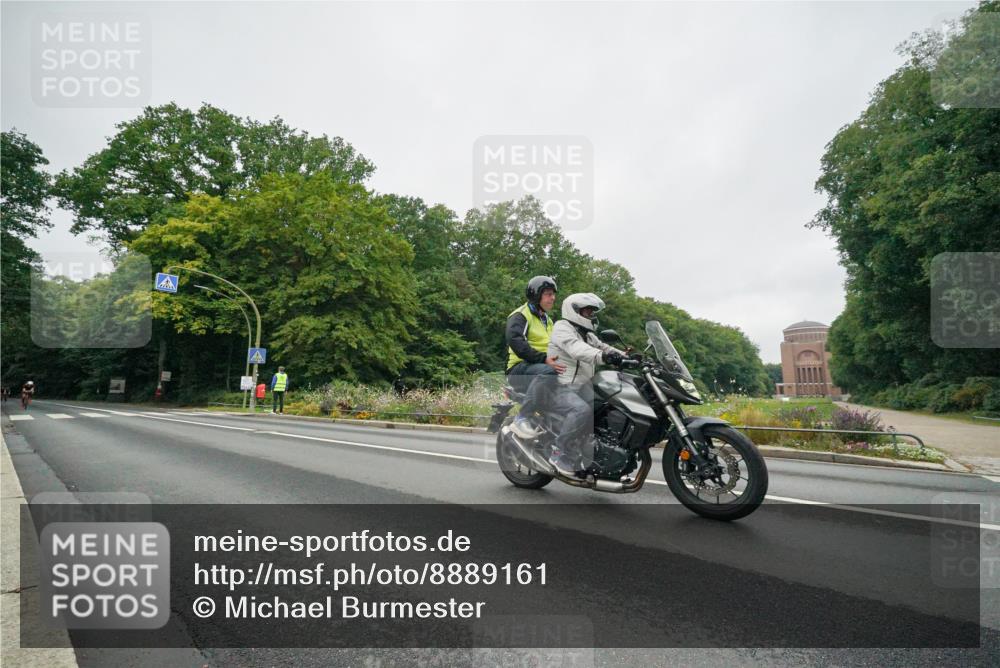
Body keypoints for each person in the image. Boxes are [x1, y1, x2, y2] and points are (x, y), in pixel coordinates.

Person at [546, 293, 627, 476]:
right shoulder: (562, 328)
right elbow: (577, 349)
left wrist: (626, 357)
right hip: (561, 386)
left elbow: (604, 347)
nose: (591, 315)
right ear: (574, 311)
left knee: (611, 406)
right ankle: (559, 453)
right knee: (580, 410)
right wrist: (603, 357)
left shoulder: (588, 334)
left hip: (582, 387)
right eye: (587, 311)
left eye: (592, 312)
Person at [505, 276, 566, 438]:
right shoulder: (521, 315)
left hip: (541, 368)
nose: (552, 297)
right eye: (548, 294)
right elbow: (516, 342)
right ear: (536, 295)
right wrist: (544, 359)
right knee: (547, 371)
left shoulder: (548, 320)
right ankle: (522, 417)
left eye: (553, 294)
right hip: (519, 370)